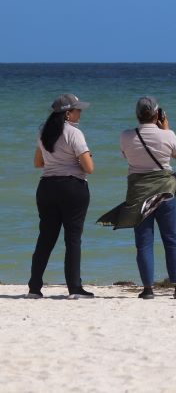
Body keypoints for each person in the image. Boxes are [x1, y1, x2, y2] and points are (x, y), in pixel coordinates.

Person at [117, 97, 176, 300]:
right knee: (172, 239)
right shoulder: (168, 135)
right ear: (157, 114)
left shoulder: (126, 136)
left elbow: (126, 157)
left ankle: (148, 288)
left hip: (139, 194)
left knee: (144, 242)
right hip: (165, 192)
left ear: (137, 115)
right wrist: (166, 128)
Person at [28, 93, 96, 299]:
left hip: (47, 187)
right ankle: (74, 288)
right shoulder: (74, 134)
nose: (80, 112)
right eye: (77, 109)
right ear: (68, 113)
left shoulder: (43, 132)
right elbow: (89, 167)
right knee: (73, 239)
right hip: (72, 188)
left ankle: (34, 287)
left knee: (45, 238)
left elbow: (38, 164)